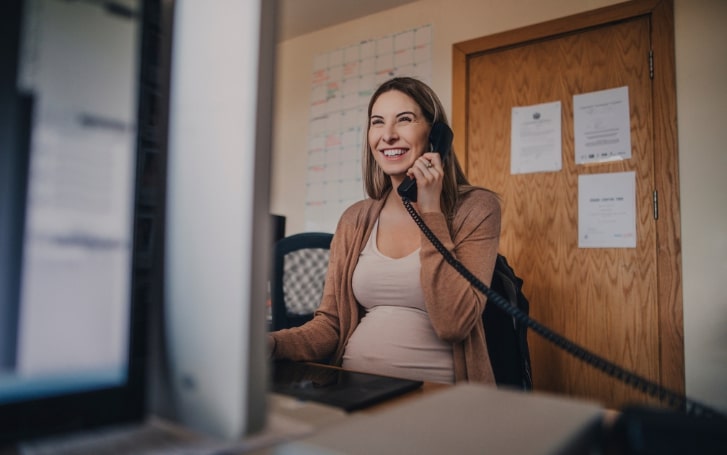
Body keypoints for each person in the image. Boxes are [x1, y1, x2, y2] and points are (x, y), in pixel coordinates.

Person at [269, 77, 501, 384]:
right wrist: (271, 344)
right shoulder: (355, 219)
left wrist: (431, 210)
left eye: (404, 120)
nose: (388, 135)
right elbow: (330, 325)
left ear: (435, 135)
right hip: (352, 392)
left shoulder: (477, 208)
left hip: (439, 400)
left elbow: (454, 323)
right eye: (377, 122)